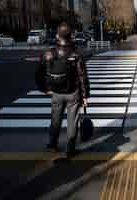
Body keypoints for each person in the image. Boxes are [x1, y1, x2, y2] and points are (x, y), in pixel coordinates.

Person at [35, 22, 90, 158]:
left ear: (57, 35)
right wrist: (85, 95)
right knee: (73, 121)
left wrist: (45, 89)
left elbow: (38, 73)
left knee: (55, 119)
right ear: (71, 36)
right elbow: (82, 75)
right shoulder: (76, 53)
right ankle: (70, 148)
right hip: (73, 93)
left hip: (56, 93)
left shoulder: (49, 53)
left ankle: (52, 145)